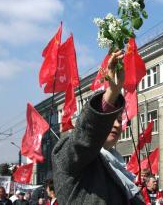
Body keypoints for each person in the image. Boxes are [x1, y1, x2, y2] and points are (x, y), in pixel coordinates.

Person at [52, 50, 144, 205]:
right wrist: (113, 91)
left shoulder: (119, 167)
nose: (116, 124)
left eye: (119, 120)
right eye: (111, 119)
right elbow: (86, 136)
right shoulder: (70, 155)